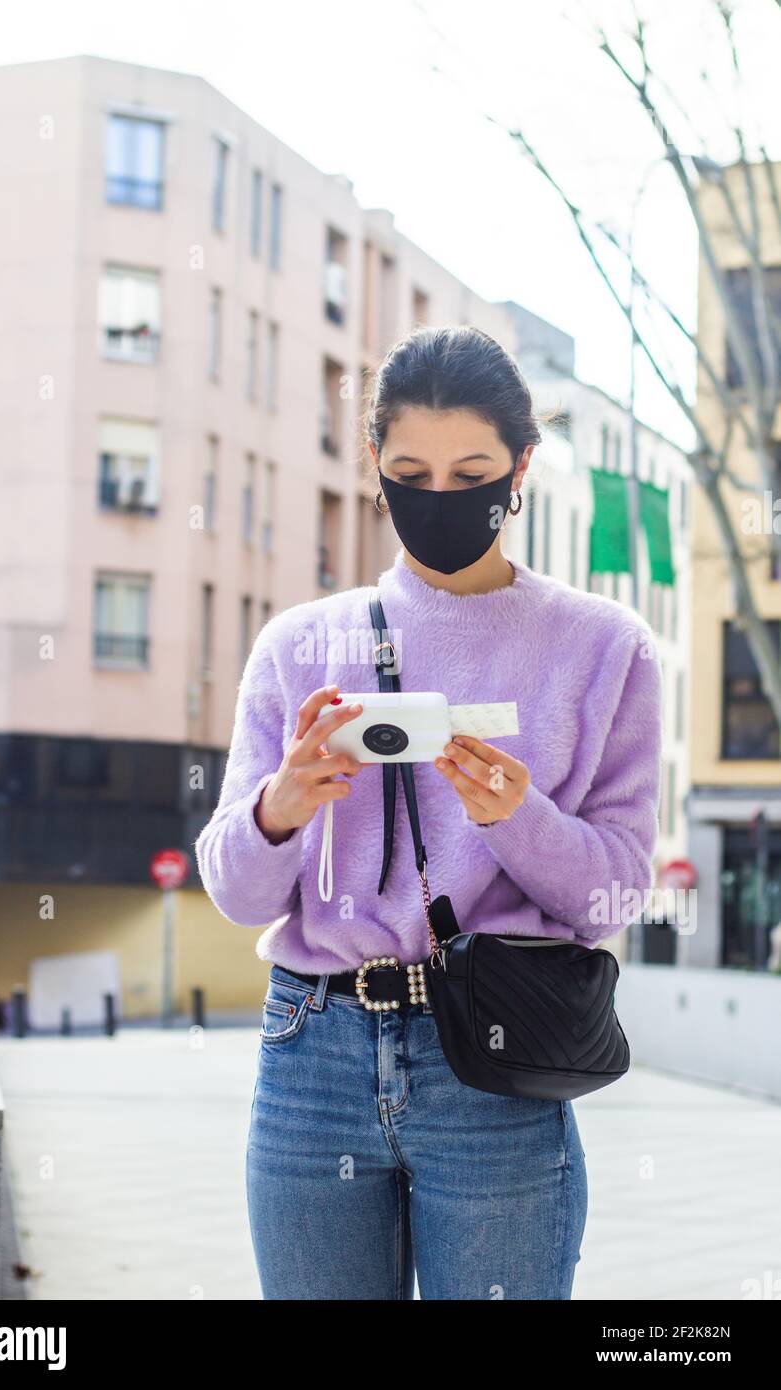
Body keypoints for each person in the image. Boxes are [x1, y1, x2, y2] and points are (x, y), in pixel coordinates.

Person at [195, 324, 663, 1300]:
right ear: (373, 465)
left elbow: (614, 893)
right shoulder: (299, 646)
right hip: (311, 1046)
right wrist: (281, 807)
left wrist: (513, 814)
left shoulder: (602, 648)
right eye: (410, 469)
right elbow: (238, 895)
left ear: (520, 467)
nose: (439, 495)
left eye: (470, 471)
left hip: (494, 1049)